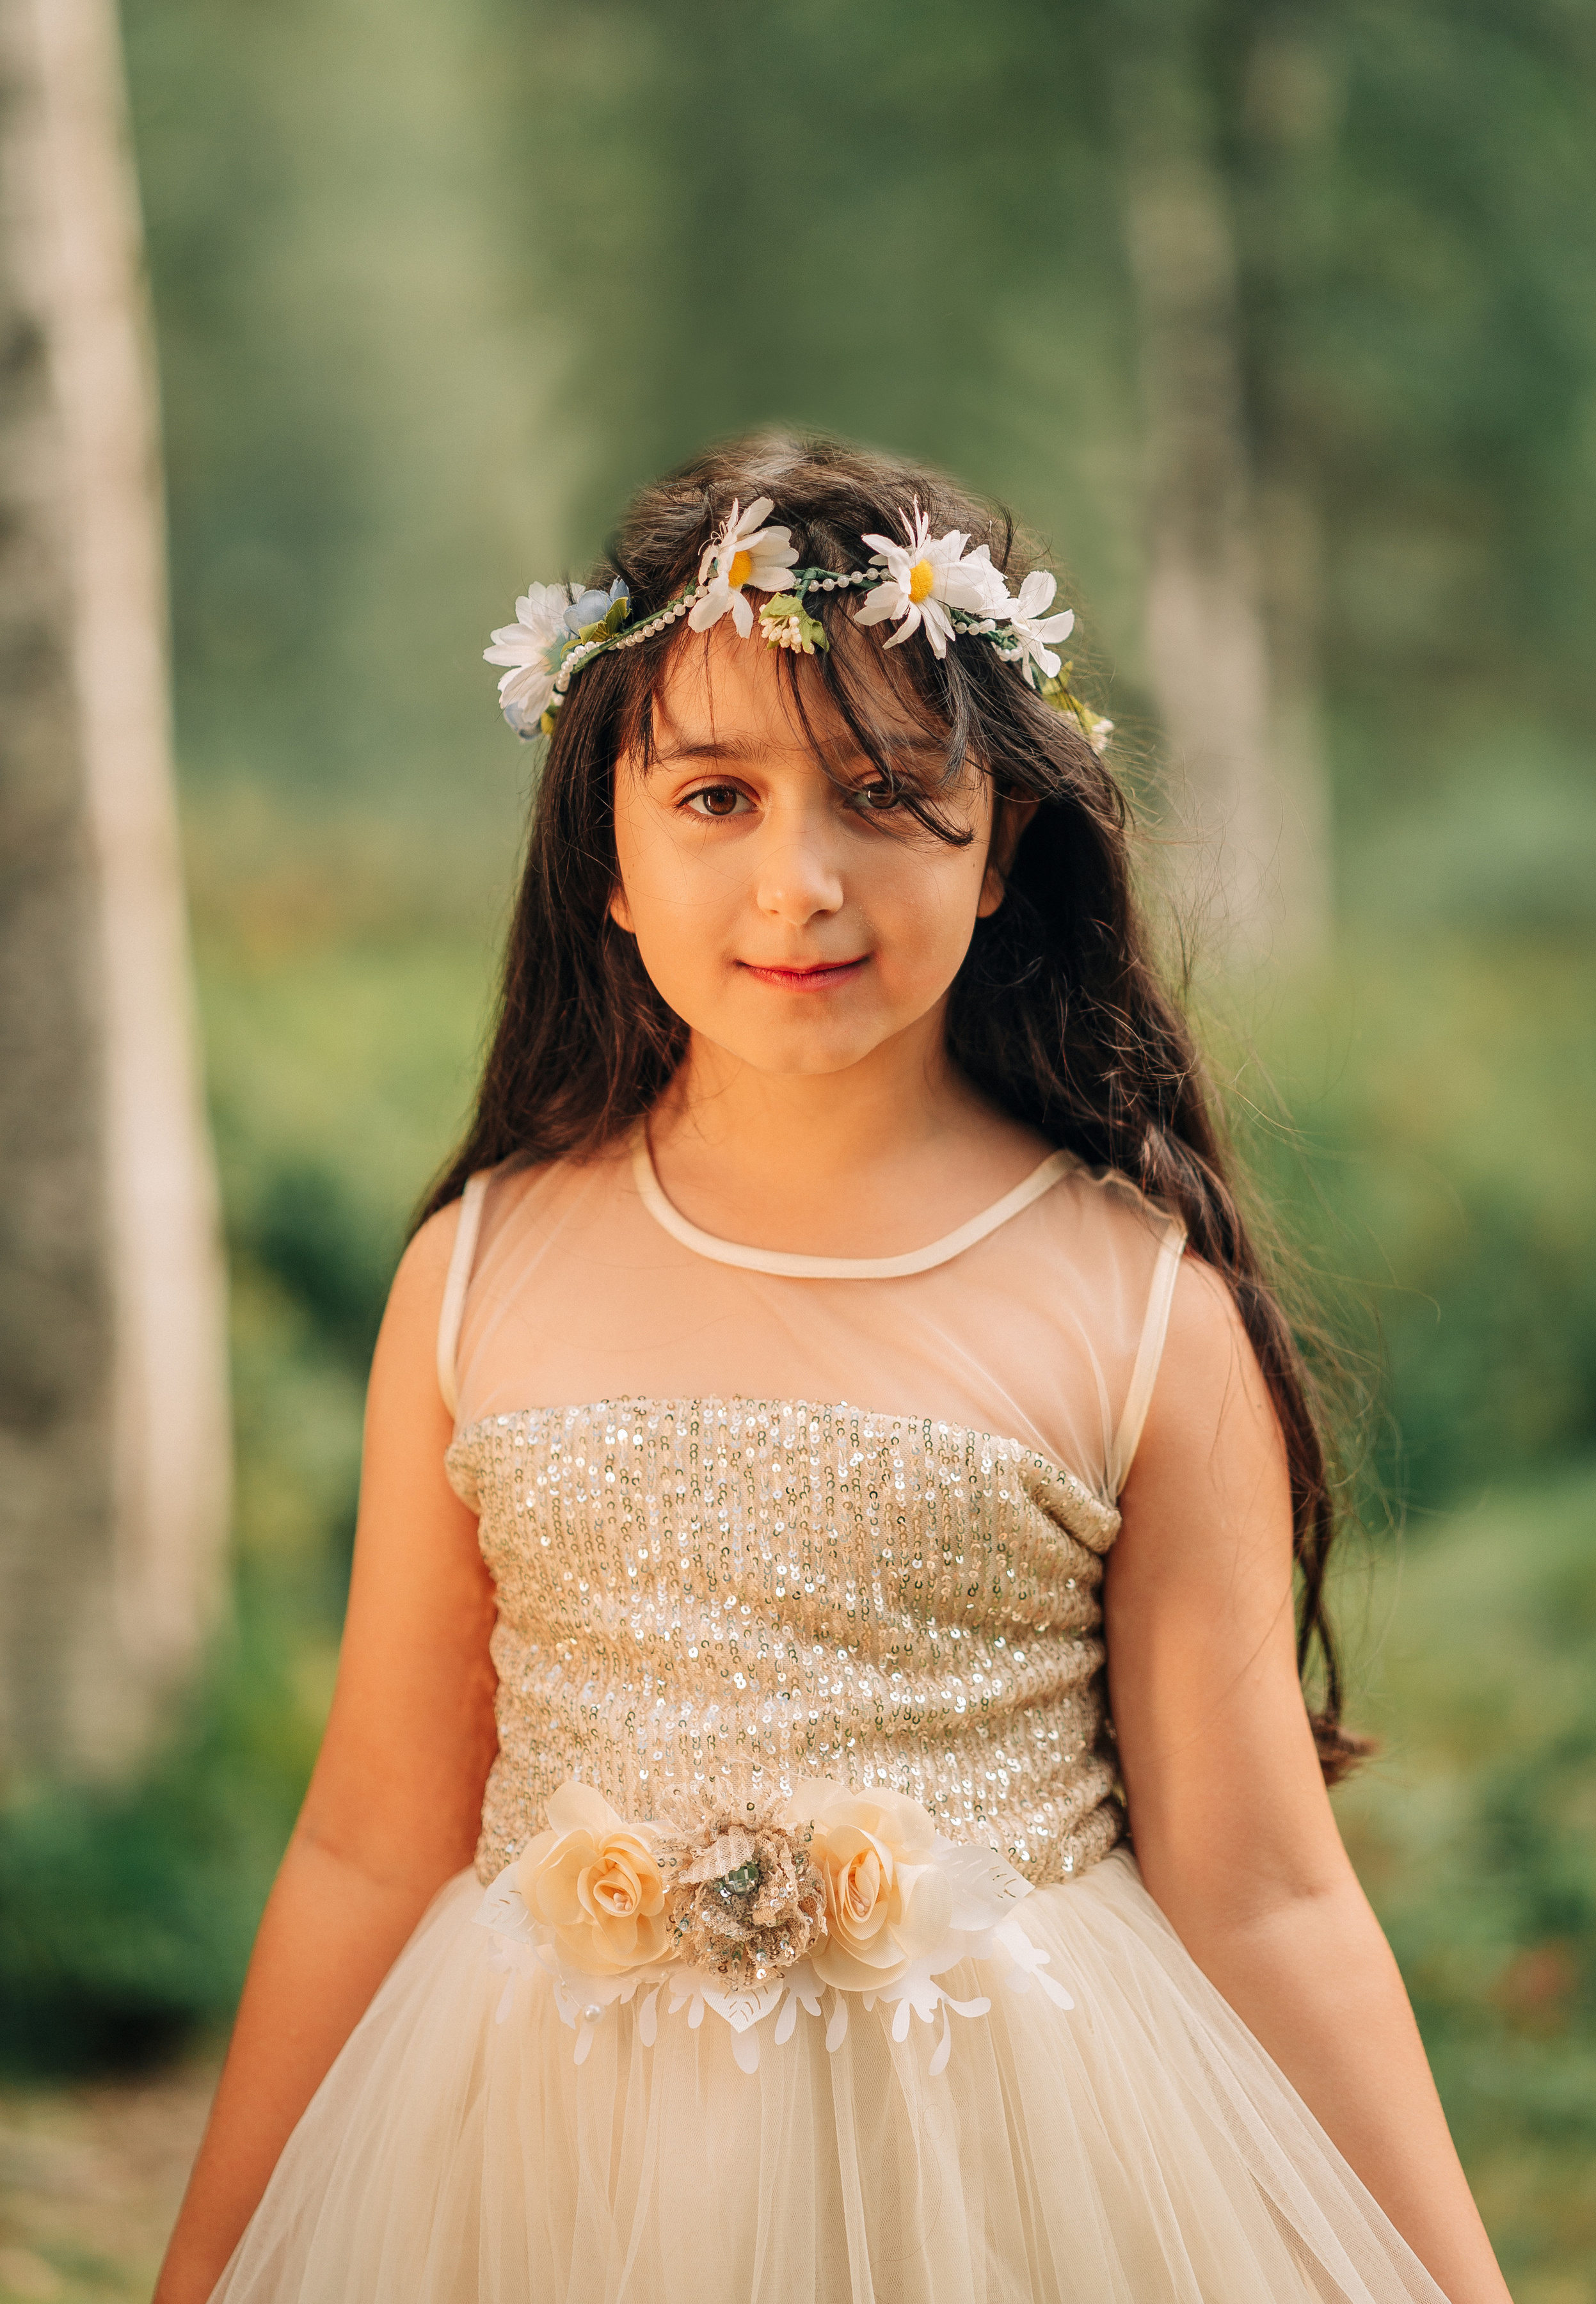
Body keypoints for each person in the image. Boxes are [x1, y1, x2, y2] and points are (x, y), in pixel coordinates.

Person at [156, 435, 1510, 2303]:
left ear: (1003, 839)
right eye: (715, 794)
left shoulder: (1135, 1309)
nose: (799, 882)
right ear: (604, 857)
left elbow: (1265, 1890)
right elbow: (372, 1840)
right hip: (546, 2173)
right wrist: (214, 2266)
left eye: (884, 793)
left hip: (1011, 2182)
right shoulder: (476, 1277)